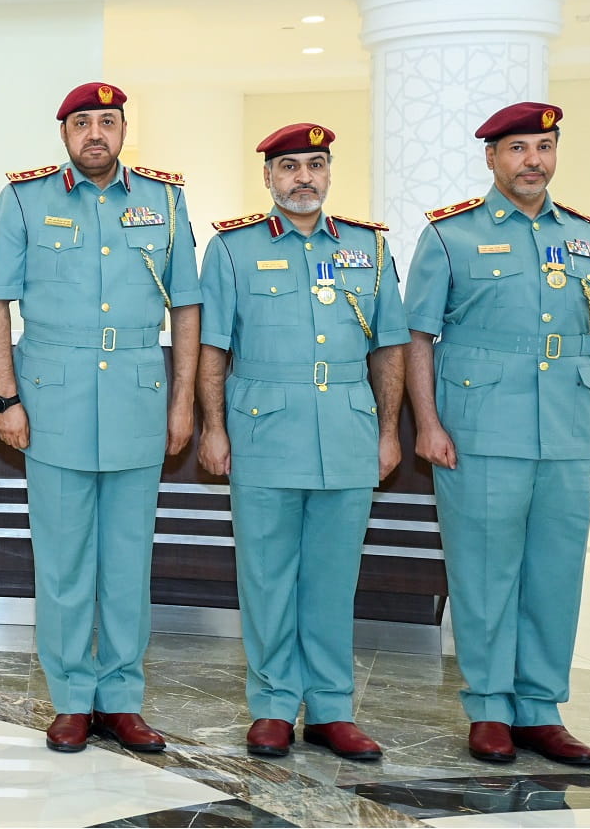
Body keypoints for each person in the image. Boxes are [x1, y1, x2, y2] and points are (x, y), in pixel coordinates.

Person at [0, 81, 200, 755]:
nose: (94, 133)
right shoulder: (23, 200)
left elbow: (186, 305)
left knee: (129, 563)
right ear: (64, 133)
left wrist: (182, 400)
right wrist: (6, 399)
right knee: (65, 561)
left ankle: (122, 698)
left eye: (107, 121)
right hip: (53, 403)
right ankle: (72, 698)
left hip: (136, 398)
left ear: (124, 128)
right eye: (81, 123)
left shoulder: (164, 200)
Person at [404, 101, 590, 767]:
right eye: (519, 149)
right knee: (485, 572)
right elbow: (418, 337)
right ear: (492, 158)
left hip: (566, 430)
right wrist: (429, 424)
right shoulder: (450, 237)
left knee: (556, 573)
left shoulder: (588, 238)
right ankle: (490, 706)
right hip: (481, 429)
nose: (534, 161)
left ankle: (541, 709)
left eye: (544, 147)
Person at [195, 123, 403, 761]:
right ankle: (274, 706)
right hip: (264, 431)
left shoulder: (367, 249)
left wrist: (389, 431)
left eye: (315, 164)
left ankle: (332, 710)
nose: (303, 178)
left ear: (330, 172)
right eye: (289, 167)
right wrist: (214, 427)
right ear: (268, 178)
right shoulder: (232, 250)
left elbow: (388, 344)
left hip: (347, 429)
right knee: (266, 576)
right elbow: (213, 348)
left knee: (335, 579)